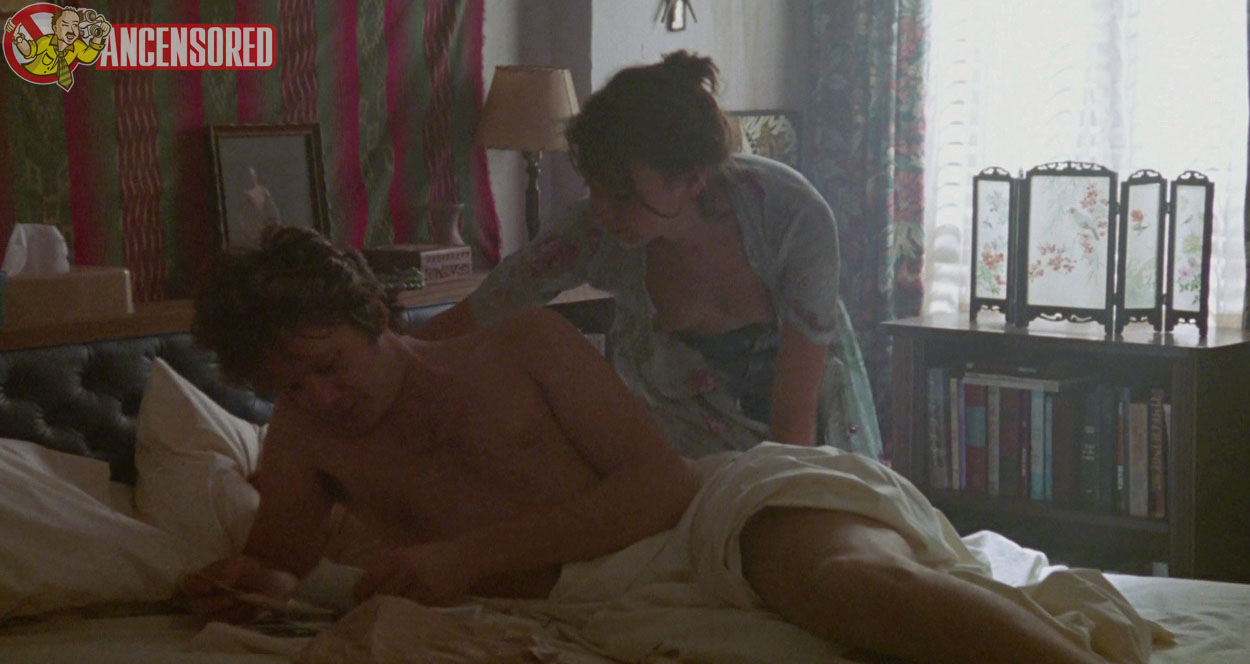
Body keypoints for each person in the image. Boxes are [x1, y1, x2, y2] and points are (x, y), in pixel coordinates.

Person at [182, 226, 1138, 664]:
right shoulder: (305, 436)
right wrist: (240, 579)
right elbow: (278, 564)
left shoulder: (522, 344)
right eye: (289, 386)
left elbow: (660, 487)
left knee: (854, 588)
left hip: (705, 515)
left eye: (329, 365)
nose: (321, 397)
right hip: (593, 606)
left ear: (371, 317)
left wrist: (462, 557)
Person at [417, 51, 881, 459]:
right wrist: (399, 356)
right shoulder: (593, 230)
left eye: (621, 195)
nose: (601, 211)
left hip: (810, 438)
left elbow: (795, 419)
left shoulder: (793, 218)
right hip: (688, 452)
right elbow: (489, 305)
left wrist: (782, 501)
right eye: (594, 186)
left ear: (693, 179)